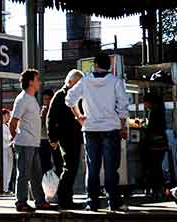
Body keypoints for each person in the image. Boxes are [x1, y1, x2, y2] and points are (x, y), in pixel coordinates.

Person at [65, 53, 129, 211]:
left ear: (95, 64)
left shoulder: (85, 80)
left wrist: (79, 116)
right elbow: (123, 106)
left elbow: (69, 99)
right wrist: (123, 126)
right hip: (111, 128)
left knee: (92, 167)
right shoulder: (116, 81)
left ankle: (92, 203)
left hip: (91, 128)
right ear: (109, 66)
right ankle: (113, 202)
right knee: (111, 167)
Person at [9, 69, 51, 212]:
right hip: (24, 143)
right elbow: (13, 122)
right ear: (30, 82)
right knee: (24, 174)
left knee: (36, 175)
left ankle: (40, 201)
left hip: (33, 144)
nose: (39, 82)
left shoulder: (32, 99)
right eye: (37, 79)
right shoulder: (22, 99)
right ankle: (20, 203)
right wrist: (15, 138)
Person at [47, 69, 84, 209]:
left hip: (75, 136)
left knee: (72, 168)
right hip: (65, 137)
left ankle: (67, 199)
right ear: (69, 82)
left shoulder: (78, 95)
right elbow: (50, 118)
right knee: (69, 168)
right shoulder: (60, 96)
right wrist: (53, 138)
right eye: (78, 83)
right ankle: (64, 200)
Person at [142, 93, 169, 198]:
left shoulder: (154, 112)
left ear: (149, 102)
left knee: (154, 167)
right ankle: (159, 189)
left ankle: (156, 189)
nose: (144, 105)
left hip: (155, 144)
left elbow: (151, 128)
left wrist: (144, 127)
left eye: (145, 102)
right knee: (157, 166)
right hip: (162, 142)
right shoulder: (160, 110)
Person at [39, 89, 63, 177]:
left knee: (58, 164)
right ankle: (47, 185)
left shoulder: (57, 109)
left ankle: (59, 185)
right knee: (44, 165)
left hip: (55, 140)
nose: (47, 101)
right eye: (45, 99)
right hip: (43, 140)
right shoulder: (41, 110)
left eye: (48, 99)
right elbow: (39, 127)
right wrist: (42, 117)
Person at [0, 108, 14, 194]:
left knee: (9, 169)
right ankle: (3, 188)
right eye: (8, 115)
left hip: (9, 149)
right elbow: (6, 138)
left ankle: (6, 188)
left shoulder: (6, 126)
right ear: (4, 115)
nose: (9, 117)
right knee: (5, 169)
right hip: (4, 150)